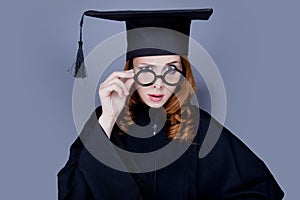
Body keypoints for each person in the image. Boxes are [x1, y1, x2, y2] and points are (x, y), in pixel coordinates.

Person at [58, 9, 284, 199]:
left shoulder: (199, 127)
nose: (158, 84)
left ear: (184, 73)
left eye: (171, 70)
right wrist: (107, 118)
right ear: (130, 71)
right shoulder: (103, 122)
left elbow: (260, 191)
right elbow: (73, 194)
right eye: (146, 70)